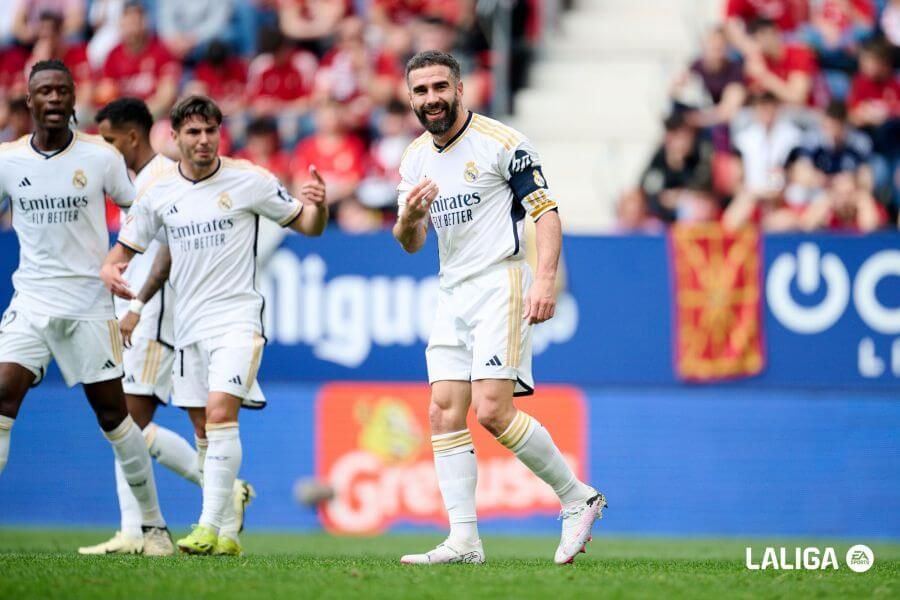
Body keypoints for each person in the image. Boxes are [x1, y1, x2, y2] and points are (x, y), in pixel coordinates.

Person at [392, 51, 605, 566]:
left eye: (440, 87)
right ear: (410, 97)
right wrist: (408, 219)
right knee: (443, 410)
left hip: (500, 281)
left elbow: (546, 212)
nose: (431, 99)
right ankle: (464, 541)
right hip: (451, 290)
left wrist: (546, 279)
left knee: (491, 409)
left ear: (460, 88)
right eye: (420, 91)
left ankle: (578, 497)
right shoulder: (414, 157)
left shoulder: (501, 143)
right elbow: (411, 242)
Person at [100, 95, 328, 555]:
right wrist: (112, 270)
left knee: (223, 414)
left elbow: (309, 226)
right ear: (176, 137)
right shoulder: (160, 194)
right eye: (193, 133)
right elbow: (124, 250)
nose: (204, 140)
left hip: (237, 320)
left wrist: (318, 206)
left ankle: (205, 527)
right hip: (186, 329)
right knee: (204, 428)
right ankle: (226, 532)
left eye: (211, 131)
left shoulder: (249, 180)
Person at [0, 59, 173, 555]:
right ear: (29, 101)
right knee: (2, 398)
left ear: (73, 99)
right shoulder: (9, 160)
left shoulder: (100, 157)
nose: (54, 99)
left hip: (88, 306)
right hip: (30, 301)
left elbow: (139, 213)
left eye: (62, 91)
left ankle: (155, 528)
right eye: (44, 92)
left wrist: (124, 265)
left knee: (115, 418)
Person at [78, 97, 254, 556]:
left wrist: (138, 306)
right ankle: (139, 527)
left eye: (111, 141)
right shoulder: (142, 182)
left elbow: (168, 251)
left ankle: (154, 522)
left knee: (128, 420)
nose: (105, 151)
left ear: (132, 137)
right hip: (143, 313)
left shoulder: (162, 178)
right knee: (126, 421)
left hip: (158, 318)